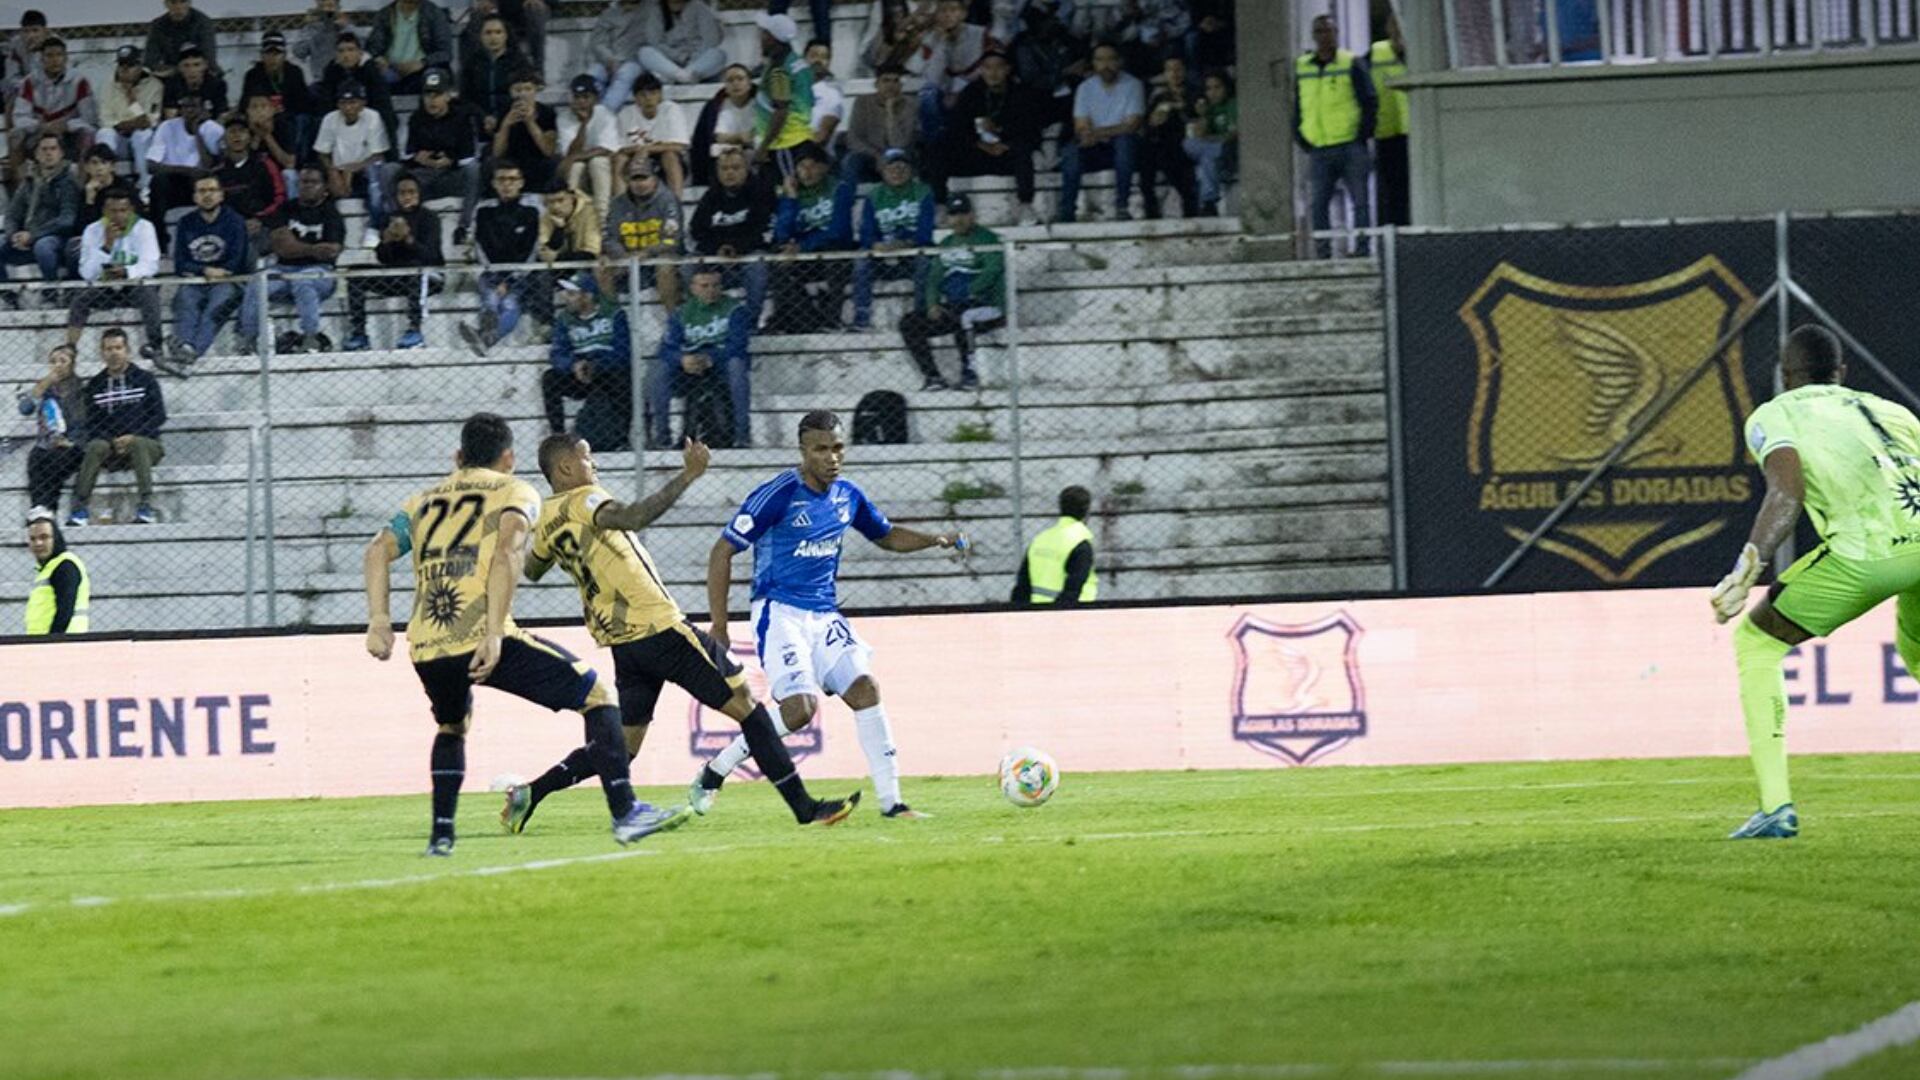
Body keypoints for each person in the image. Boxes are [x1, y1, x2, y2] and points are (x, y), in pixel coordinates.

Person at [504, 433, 860, 832]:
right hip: (660, 629)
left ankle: (531, 792)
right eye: (587, 457)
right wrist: (688, 475)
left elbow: (532, 569)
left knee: (625, 747)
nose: (595, 464)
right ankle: (805, 807)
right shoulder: (585, 499)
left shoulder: (547, 519)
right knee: (747, 706)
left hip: (624, 643)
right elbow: (633, 517)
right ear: (566, 467)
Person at [361, 412, 682, 855]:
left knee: (452, 725)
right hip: (482, 636)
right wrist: (494, 632)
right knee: (598, 696)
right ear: (509, 458)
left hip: (427, 645)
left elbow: (377, 550)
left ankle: (441, 838)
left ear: (458, 456)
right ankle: (626, 813)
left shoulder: (422, 502)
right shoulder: (515, 492)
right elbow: (510, 550)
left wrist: (379, 620)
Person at [692, 409, 968, 819]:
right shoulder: (778, 494)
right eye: (821, 449)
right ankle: (716, 769)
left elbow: (886, 536)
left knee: (865, 689)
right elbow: (722, 551)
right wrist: (720, 624)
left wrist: (936, 539)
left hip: (824, 614)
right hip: (780, 612)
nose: (832, 457)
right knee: (799, 711)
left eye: (838, 447)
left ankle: (893, 803)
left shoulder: (847, 496)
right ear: (803, 451)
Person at [1710, 326, 1920, 840]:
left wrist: (1747, 569)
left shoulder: (1776, 414)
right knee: (1915, 653)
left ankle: (1776, 808)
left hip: (1868, 556)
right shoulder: (1893, 411)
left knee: (1757, 642)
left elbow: (1787, 490)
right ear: (1841, 372)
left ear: (1785, 375)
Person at [900, 193, 1002, 390]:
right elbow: (933, 279)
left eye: (964, 213)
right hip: (955, 306)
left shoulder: (988, 239)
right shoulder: (946, 243)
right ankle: (933, 378)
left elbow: (992, 271)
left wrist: (968, 291)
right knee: (909, 323)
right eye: (954, 214)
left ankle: (970, 375)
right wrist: (932, 303)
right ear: (947, 218)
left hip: (986, 306)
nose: (959, 219)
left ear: (972, 215)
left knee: (964, 316)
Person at [67, 329, 166, 527]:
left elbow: (158, 416)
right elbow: (92, 423)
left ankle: (146, 506)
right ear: (102, 353)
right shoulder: (96, 385)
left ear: (127, 350)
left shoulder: (145, 379)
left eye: (118, 348)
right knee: (95, 446)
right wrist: (111, 440)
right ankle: (80, 508)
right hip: (110, 448)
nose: (114, 353)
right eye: (108, 349)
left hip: (146, 445)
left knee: (138, 444)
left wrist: (133, 436)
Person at [1296, 14, 1376, 257]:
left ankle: (1362, 249)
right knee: (1318, 205)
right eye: (1320, 31)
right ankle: (1323, 253)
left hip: (1350, 145)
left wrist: (1361, 135)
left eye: (1329, 31)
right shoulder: (1303, 66)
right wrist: (1301, 136)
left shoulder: (1351, 63)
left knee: (1360, 202)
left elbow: (1369, 101)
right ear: (1314, 36)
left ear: (1336, 34)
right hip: (1319, 147)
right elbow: (1298, 104)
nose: (1325, 36)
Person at [245, 165, 344, 355]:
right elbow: (281, 247)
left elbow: (331, 252)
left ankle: (310, 338)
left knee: (303, 281)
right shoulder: (286, 208)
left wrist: (295, 246)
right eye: (303, 182)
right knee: (258, 282)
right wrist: (312, 249)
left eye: (314, 182)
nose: (307, 186)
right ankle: (249, 340)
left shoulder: (331, 214)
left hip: (321, 271)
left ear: (325, 187)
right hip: (283, 269)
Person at [652, 265, 752, 449]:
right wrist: (682, 359)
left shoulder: (735, 310)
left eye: (715, 285)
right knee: (660, 369)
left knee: (737, 365)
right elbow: (666, 349)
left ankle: (742, 435)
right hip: (689, 368)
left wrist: (709, 358)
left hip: (722, 367)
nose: (710, 290)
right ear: (693, 288)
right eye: (704, 286)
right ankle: (662, 437)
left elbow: (738, 346)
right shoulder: (682, 312)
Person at [939, 49, 1040, 224]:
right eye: (987, 68)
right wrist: (980, 144)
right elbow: (957, 129)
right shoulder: (971, 93)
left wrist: (1003, 135)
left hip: (1007, 154)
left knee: (1023, 152)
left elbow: (1030, 130)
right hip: (977, 153)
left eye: (998, 67)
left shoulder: (1021, 94)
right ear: (981, 70)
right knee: (938, 149)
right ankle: (940, 205)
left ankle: (1025, 205)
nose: (993, 73)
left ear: (1007, 69)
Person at [346, 172, 443, 351]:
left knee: (415, 269)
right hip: (397, 274)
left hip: (428, 275)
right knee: (355, 272)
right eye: (402, 192)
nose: (407, 196)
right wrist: (386, 241)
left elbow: (430, 256)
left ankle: (415, 330)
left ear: (419, 194)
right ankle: (359, 333)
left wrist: (408, 239)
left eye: (411, 192)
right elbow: (383, 258)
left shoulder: (430, 218)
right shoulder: (389, 218)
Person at [68, 187, 165, 362]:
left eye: (123, 210)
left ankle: (156, 345)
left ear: (131, 210)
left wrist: (127, 272)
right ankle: (70, 348)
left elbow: (151, 265)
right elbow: (86, 273)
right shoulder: (92, 230)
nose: (118, 215)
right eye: (112, 211)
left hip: (133, 286)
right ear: (104, 211)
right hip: (104, 287)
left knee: (149, 295)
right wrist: (107, 246)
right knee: (80, 299)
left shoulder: (144, 227)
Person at [166, 174, 251, 370]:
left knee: (216, 307)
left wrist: (222, 272)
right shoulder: (186, 222)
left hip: (229, 280)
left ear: (221, 195)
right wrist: (205, 270)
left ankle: (192, 351)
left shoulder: (235, 221)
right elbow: (180, 264)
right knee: (185, 300)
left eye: (212, 190)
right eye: (202, 191)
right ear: (194, 197)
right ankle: (185, 346)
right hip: (198, 279)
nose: (207, 195)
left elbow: (237, 260)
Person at [770, 144, 854, 333]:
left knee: (835, 254)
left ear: (824, 167)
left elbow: (838, 231)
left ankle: (832, 318)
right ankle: (806, 319)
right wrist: (791, 199)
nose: (807, 173)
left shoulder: (839, 189)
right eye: (802, 167)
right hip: (802, 256)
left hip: (833, 252)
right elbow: (781, 234)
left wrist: (802, 247)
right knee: (776, 261)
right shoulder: (792, 193)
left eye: (812, 166)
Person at [460, 162, 540, 355]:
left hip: (521, 275)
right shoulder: (483, 212)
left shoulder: (531, 213)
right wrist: (497, 276)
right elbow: (479, 246)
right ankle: (486, 337)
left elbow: (531, 251)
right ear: (494, 183)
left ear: (521, 183)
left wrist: (510, 279)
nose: (507, 184)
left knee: (510, 303)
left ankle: (485, 339)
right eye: (502, 179)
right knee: (491, 300)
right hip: (491, 273)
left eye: (512, 179)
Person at [544, 273, 632, 450]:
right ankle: (559, 438)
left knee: (623, 377)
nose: (566, 298)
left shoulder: (614, 314)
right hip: (578, 373)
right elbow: (557, 353)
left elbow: (623, 352)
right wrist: (573, 365)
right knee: (550, 378)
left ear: (588, 296)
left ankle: (621, 438)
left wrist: (596, 365)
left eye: (572, 294)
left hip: (606, 371)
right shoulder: (564, 319)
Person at [1058, 44, 1143, 223]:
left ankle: (1122, 206)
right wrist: (1089, 134)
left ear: (1119, 61)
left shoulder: (1133, 85)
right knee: (1071, 152)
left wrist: (1096, 132)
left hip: (1123, 146)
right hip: (1095, 146)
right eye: (1100, 60)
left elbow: (1132, 125)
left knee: (1124, 143)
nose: (1106, 65)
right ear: (1094, 63)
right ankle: (1067, 212)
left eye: (1111, 59)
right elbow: (1081, 125)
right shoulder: (1085, 88)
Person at [688, 147, 773, 322]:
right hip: (716, 260)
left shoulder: (761, 192)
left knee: (757, 265)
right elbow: (697, 230)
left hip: (748, 257)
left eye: (735, 168)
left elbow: (763, 228)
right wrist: (718, 248)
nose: (729, 173)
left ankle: (750, 323)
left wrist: (737, 248)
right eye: (724, 169)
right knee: (687, 265)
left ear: (746, 169)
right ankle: (698, 320)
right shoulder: (711, 196)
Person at [396, 68, 480, 242]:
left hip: (451, 176)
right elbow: (407, 154)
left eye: (437, 95)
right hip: (424, 177)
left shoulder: (462, 118)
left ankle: (464, 226)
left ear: (448, 96)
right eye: (428, 95)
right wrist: (419, 158)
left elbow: (469, 156)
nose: (432, 100)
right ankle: (400, 224)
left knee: (474, 170)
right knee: (390, 171)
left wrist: (450, 161)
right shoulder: (416, 118)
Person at [853, 148, 932, 331]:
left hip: (911, 251)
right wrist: (876, 245)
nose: (897, 172)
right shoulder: (874, 196)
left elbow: (925, 232)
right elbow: (866, 232)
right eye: (891, 168)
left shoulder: (923, 192)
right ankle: (862, 319)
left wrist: (905, 244)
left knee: (925, 262)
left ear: (911, 171)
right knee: (861, 261)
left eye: (902, 168)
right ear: (883, 172)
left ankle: (920, 316)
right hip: (882, 253)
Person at [601, 155, 683, 310]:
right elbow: (609, 238)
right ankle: (614, 316)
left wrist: (646, 253)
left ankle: (673, 317)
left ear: (654, 178)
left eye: (644, 178)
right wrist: (622, 255)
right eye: (635, 179)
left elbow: (672, 240)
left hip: (658, 257)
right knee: (601, 266)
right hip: (627, 258)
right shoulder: (617, 204)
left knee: (665, 265)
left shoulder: (668, 200)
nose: (640, 184)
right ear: (627, 180)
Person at [17, 344, 86, 519]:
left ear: (72, 364)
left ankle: (46, 510)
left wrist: (70, 441)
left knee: (55, 459)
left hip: (73, 445)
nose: (57, 365)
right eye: (53, 361)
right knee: (36, 457)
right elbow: (25, 408)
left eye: (63, 361)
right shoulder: (45, 389)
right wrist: (43, 385)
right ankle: (40, 508)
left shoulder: (82, 391)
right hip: (47, 445)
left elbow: (83, 424)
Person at [910, 0, 992, 147]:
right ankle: (934, 145)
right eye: (943, 11)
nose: (947, 15)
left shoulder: (980, 34)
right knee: (927, 94)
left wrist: (959, 90)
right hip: (944, 88)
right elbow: (924, 72)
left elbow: (991, 64)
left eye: (953, 10)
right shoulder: (931, 37)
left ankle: (985, 141)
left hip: (974, 85)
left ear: (963, 14)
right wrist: (939, 42)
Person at [3, 133, 80, 286]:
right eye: (44, 149)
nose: (48, 153)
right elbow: (12, 214)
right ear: (36, 155)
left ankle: (52, 292)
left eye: (53, 149)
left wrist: (33, 235)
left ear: (61, 153)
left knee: (43, 246)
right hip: (27, 238)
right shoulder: (29, 181)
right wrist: (13, 235)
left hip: (56, 238)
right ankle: (8, 294)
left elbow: (66, 220)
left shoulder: (68, 182)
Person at [11, 36, 95, 175]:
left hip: (69, 135)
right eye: (49, 56)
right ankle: (20, 186)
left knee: (87, 135)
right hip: (39, 134)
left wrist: (66, 126)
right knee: (15, 136)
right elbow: (19, 118)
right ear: (41, 59)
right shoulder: (29, 82)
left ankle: (81, 184)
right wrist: (41, 126)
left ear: (66, 58)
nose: (55, 60)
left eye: (59, 55)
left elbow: (89, 119)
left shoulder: (79, 81)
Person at [145, 90, 222, 232]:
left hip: (199, 184)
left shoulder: (213, 129)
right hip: (173, 182)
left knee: (205, 181)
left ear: (203, 109)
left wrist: (197, 132)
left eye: (194, 106)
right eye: (185, 106)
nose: (189, 110)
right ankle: (160, 236)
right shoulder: (167, 126)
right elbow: (151, 166)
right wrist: (186, 171)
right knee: (158, 181)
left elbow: (208, 165)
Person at [753, 13, 817, 177]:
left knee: (788, 187)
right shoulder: (798, 61)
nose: (761, 38)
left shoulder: (780, 70)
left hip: (785, 142)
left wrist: (764, 146)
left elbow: (781, 110)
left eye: (764, 34)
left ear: (772, 38)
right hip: (799, 136)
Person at [314, 81, 391, 218]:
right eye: (343, 103)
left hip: (365, 170)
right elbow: (322, 153)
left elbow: (379, 155)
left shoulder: (373, 117)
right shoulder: (330, 119)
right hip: (337, 171)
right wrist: (333, 172)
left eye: (353, 102)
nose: (348, 107)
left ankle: (377, 222)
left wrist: (352, 169)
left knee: (375, 177)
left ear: (363, 103)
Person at [96, 46, 164, 199]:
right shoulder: (107, 85)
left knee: (142, 135)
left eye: (130, 65)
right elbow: (105, 121)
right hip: (118, 138)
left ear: (140, 66)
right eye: (122, 65)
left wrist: (131, 98)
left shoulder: (154, 86)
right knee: (104, 134)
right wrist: (130, 124)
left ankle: (146, 187)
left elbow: (148, 122)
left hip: (141, 139)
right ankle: (105, 183)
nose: (125, 70)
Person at [1011, 485, 1097, 604]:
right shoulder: (1080, 543)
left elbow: (1022, 586)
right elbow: (1073, 590)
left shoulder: (1040, 539)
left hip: (1036, 610)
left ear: (1060, 507)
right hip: (1072, 613)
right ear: (1087, 511)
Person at [211, 121, 287, 253]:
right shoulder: (217, 171)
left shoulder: (265, 163)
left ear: (250, 138)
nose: (237, 136)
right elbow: (213, 205)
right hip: (229, 227)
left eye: (241, 131)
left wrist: (261, 219)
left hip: (262, 224)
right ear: (224, 140)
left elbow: (279, 197)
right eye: (232, 132)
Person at [314, 31, 397, 150]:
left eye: (351, 50)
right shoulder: (331, 71)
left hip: (367, 114)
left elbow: (381, 101)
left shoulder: (371, 70)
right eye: (341, 51)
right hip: (340, 115)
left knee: (385, 118)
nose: (346, 55)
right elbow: (326, 101)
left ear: (360, 52)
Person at [1139, 54, 1199, 219]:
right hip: (1162, 142)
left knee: (1171, 158)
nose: (1174, 73)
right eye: (1170, 70)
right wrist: (1155, 120)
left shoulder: (1195, 93)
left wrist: (1179, 107)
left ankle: (1190, 206)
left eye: (1178, 69)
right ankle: (1150, 207)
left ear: (1185, 71)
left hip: (1186, 140)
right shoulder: (1160, 96)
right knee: (1147, 153)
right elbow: (1149, 124)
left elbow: (1198, 116)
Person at [613, 73, 690, 201]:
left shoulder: (671, 110)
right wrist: (640, 151)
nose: (648, 98)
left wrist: (647, 149)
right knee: (620, 159)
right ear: (636, 98)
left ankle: (676, 204)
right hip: (636, 159)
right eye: (643, 95)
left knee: (669, 155)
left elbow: (679, 145)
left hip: (665, 160)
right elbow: (620, 148)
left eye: (653, 93)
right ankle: (620, 204)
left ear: (660, 95)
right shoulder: (626, 114)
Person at [841, 62, 917, 188]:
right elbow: (853, 139)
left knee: (904, 161)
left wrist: (890, 111)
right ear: (876, 84)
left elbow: (899, 144)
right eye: (886, 81)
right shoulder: (863, 102)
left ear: (901, 85)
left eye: (895, 81)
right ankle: (846, 198)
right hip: (870, 155)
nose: (891, 85)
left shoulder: (910, 105)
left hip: (900, 156)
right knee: (851, 161)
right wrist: (877, 155)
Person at [556, 74, 621, 218]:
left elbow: (606, 149)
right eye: (577, 97)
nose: (581, 102)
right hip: (580, 171)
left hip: (604, 170)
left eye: (586, 97)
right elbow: (570, 153)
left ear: (595, 99)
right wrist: (584, 125)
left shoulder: (605, 114)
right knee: (576, 166)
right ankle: (571, 216)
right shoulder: (564, 117)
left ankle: (603, 218)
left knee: (598, 162)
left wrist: (575, 157)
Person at [490, 67, 558, 193]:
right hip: (511, 159)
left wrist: (530, 122)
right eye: (518, 90)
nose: (523, 94)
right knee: (490, 164)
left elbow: (548, 151)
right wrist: (506, 125)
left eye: (528, 89)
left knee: (551, 164)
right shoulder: (504, 112)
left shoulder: (547, 113)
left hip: (537, 159)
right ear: (511, 92)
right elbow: (497, 152)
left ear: (535, 90)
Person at [1370, 16, 1410, 227]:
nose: (1397, 30)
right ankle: (1393, 234)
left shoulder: (1419, 52)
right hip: (1386, 133)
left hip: (1415, 133)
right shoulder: (1376, 52)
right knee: (1391, 191)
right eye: (1393, 25)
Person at [366, 0, 452, 95]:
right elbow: (372, 49)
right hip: (391, 69)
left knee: (432, 78)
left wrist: (422, 63)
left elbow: (445, 53)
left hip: (423, 69)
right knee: (376, 77)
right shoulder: (385, 14)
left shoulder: (433, 13)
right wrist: (379, 59)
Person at [24, 510, 88, 635]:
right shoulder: (49, 568)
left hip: (63, 642)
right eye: (33, 539)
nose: (38, 543)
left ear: (56, 539)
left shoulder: (65, 566)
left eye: (44, 537)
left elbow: (65, 610)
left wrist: (53, 640)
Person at [1183, 70, 1235, 217]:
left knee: (1208, 156)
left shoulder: (1233, 104)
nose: (1213, 92)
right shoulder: (1208, 108)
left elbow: (1233, 135)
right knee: (1191, 145)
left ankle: (1208, 202)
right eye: (1209, 89)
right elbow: (1199, 136)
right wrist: (1204, 115)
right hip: (1213, 151)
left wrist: (1211, 139)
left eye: (1217, 87)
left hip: (1230, 152)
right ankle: (1208, 203)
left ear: (1226, 88)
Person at [639, 0, 728, 85]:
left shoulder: (699, 7)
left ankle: (680, 76)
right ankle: (681, 76)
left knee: (718, 54)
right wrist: (679, 56)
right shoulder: (656, 11)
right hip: (669, 61)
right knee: (645, 52)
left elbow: (710, 40)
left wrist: (692, 59)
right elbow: (655, 42)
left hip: (697, 61)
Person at [458, 15, 518, 140]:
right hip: (479, 124)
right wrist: (484, 117)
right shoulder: (471, 63)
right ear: (480, 36)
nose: (493, 37)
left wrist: (501, 119)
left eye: (498, 32)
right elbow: (465, 98)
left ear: (506, 35)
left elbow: (521, 96)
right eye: (488, 33)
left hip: (512, 125)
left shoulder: (518, 62)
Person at [242, 32, 313, 123]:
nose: (273, 58)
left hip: (290, 118)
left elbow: (304, 103)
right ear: (262, 55)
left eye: (277, 53)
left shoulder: (294, 73)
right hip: (263, 119)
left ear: (284, 55)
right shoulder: (253, 75)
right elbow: (245, 105)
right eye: (268, 53)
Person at [585, 0, 649, 99]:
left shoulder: (650, 10)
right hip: (610, 62)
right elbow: (598, 43)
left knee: (625, 73)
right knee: (591, 76)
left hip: (635, 62)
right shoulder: (609, 14)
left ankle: (605, 108)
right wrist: (609, 59)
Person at [145, 0, 222, 80]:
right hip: (171, 73)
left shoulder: (203, 23)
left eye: (183, 1)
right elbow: (150, 60)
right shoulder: (158, 25)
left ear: (189, 3)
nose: (178, 7)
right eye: (173, 2)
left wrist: (189, 69)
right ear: (166, 4)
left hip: (200, 72)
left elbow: (208, 58)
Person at [294, 0, 354, 83]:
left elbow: (362, 47)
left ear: (338, 7)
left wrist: (345, 28)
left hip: (347, 78)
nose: (326, 10)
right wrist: (314, 30)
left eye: (330, 6)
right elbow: (299, 52)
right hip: (321, 79)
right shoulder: (311, 28)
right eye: (322, 6)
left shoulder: (346, 26)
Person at [162, 43, 228, 118]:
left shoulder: (217, 85)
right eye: (186, 65)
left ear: (205, 65)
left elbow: (222, 114)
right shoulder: (172, 85)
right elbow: (170, 116)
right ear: (179, 68)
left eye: (197, 65)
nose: (192, 70)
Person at [805, 40, 846, 152]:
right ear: (804, 60)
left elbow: (821, 137)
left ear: (829, 62)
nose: (818, 61)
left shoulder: (832, 94)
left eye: (824, 57)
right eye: (813, 56)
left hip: (812, 152)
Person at [2, 11, 48, 109]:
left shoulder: (54, 45)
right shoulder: (16, 43)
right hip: (22, 87)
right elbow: (11, 75)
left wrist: (36, 52)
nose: (30, 35)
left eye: (35, 30)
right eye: (26, 31)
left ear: (44, 31)